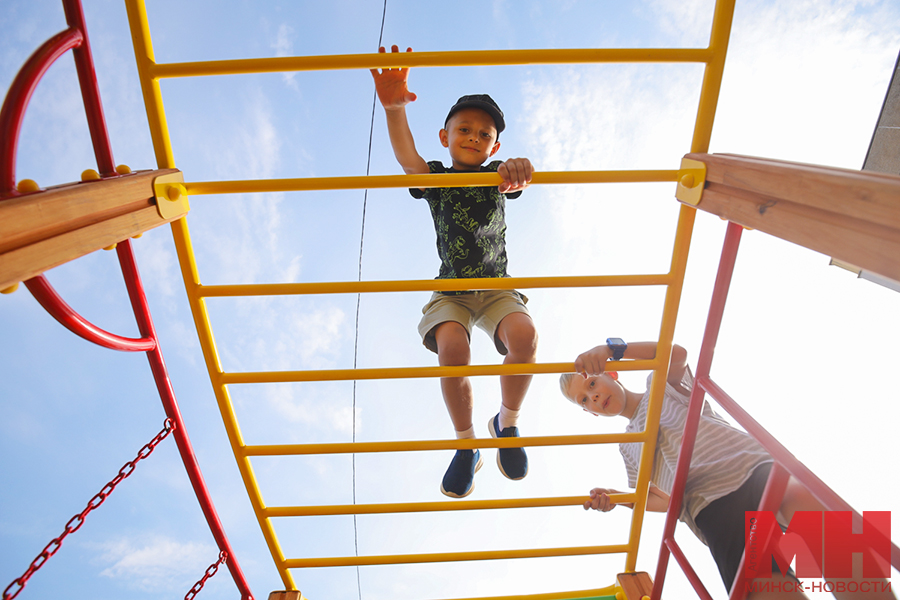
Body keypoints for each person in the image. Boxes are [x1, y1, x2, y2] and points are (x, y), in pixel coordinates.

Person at [559, 340, 894, 600]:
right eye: (584, 402)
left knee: (815, 516)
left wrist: (613, 348)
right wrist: (621, 499)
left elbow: (678, 354)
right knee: (762, 585)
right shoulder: (628, 445)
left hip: (749, 465)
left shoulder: (658, 383)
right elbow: (661, 501)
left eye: (591, 385)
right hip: (709, 506)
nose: (593, 398)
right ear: (590, 415)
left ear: (610, 373)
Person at [371, 45, 538, 499]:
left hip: (496, 285)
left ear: (494, 147)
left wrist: (521, 169)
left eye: (483, 134)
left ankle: (506, 423)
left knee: (525, 338)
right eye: (463, 129)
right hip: (452, 291)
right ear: (444, 136)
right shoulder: (439, 178)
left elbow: (519, 174)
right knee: (452, 350)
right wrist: (393, 109)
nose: (473, 137)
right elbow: (408, 160)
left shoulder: (497, 176)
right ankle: (467, 446)